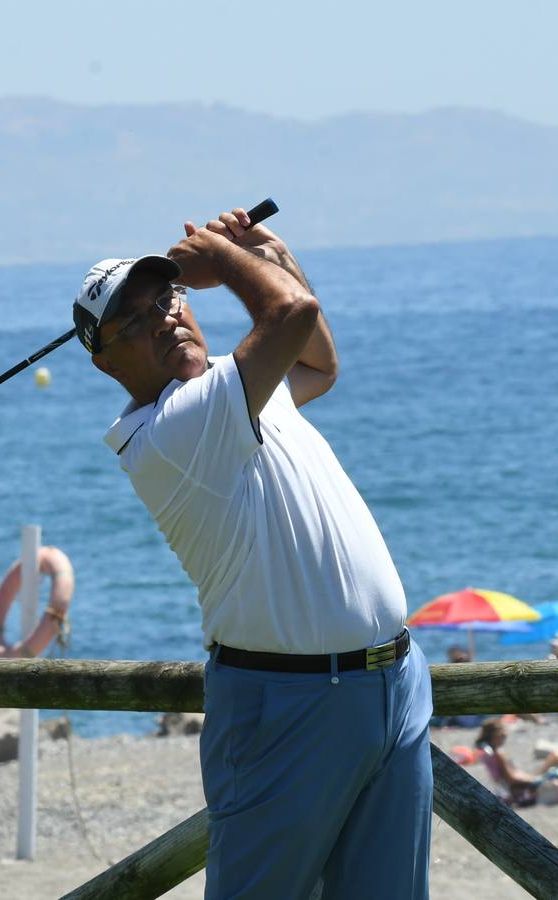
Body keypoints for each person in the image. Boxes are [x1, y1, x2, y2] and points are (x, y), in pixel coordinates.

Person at [73, 208, 432, 898]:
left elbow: (316, 362)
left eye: (166, 299)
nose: (164, 320)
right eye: (134, 321)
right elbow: (290, 311)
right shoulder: (172, 430)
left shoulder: (226, 392)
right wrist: (222, 259)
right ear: (104, 361)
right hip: (289, 701)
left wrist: (270, 249)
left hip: (391, 679)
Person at [475, 718, 558, 806]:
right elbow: (512, 779)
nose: (505, 736)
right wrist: (536, 779)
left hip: (519, 789)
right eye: (503, 734)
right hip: (525, 791)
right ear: (495, 735)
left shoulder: (489, 754)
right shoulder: (498, 754)